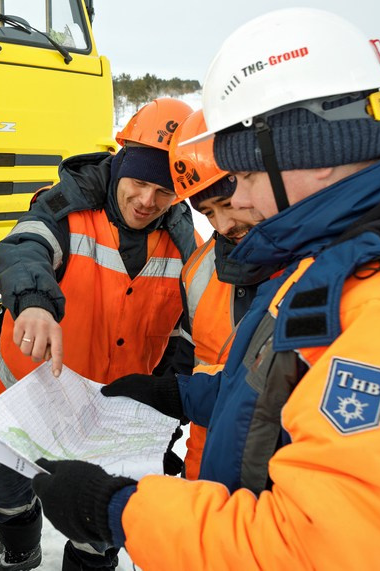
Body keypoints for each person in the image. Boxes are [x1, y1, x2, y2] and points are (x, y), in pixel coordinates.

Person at [30, 8, 380, 570]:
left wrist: (118, 510)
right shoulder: (330, 264)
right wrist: (185, 395)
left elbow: (319, 550)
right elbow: (279, 397)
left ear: (314, 154)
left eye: (248, 177)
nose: (243, 205)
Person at [0, 98, 200, 571]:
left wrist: (167, 411)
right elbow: (22, 248)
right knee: (8, 500)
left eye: (164, 191)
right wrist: (33, 299)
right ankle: (17, 553)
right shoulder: (64, 210)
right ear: (119, 168)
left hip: (110, 419)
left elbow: (186, 334)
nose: (147, 202)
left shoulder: (184, 245)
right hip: (29, 408)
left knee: (97, 534)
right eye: (138, 183)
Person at [104, 109, 270, 479]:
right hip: (205, 476)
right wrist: (160, 425)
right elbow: (191, 362)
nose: (224, 225)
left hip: (274, 493)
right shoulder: (199, 272)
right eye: (208, 213)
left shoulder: (310, 269)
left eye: (226, 205)